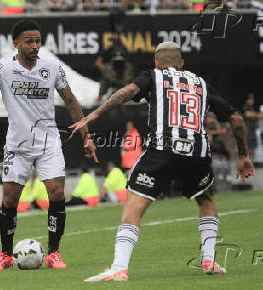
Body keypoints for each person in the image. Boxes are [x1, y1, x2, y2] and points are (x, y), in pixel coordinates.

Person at [70, 42, 255, 281]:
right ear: (182, 64)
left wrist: (93, 115)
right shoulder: (201, 84)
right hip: (196, 153)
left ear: (157, 63)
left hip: (162, 149)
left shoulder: (153, 76)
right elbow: (237, 120)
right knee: (206, 199)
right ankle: (209, 259)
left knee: (134, 204)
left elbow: (126, 92)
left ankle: (118, 268)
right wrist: (243, 156)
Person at [0, 20, 98, 270]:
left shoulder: (52, 67)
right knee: (9, 200)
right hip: (17, 144)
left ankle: (54, 253)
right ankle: (5, 255)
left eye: (38, 41)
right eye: (29, 41)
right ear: (16, 44)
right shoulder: (4, 67)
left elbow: (70, 101)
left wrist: (86, 135)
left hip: (48, 140)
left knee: (57, 193)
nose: (35, 46)